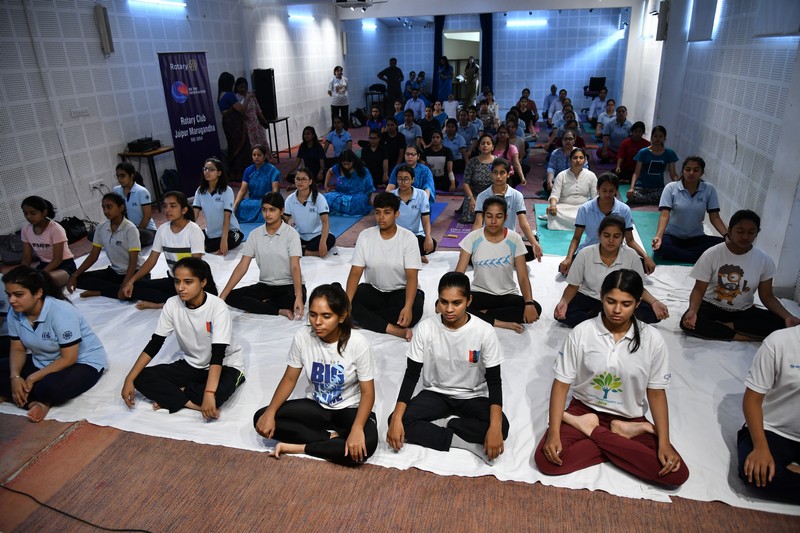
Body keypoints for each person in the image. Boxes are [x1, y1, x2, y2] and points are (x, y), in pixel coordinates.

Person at [535, 269, 689, 487]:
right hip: (583, 409)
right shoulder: (582, 332)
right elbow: (560, 385)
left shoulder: (653, 339)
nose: (617, 310)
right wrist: (553, 432)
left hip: (629, 417)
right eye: (611, 301)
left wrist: (664, 441)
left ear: (638, 303)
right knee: (547, 461)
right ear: (601, 297)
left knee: (676, 473)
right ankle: (612, 435)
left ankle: (594, 429)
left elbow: (656, 393)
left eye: (626, 304)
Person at [386, 271, 509, 465]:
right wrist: (396, 418)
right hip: (436, 394)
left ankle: (445, 424)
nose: (449, 309)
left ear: (469, 301)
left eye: (456, 303)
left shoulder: (484, 331)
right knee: (396, 420)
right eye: (444, 302)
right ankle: (462, 442)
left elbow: (494, 381)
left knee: (502, 427)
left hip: (472, 395)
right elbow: (411, 375)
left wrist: (495, 427)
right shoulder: (426, 328)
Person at [253, 284, 378, 465]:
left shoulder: (358, 343)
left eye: (326, 316)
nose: (317, 322)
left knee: (368, 444)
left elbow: (368, 392)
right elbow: (289, 378)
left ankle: (300, 447)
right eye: (313, 315)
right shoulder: (303, 336)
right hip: (317, 406)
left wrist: (357, 428)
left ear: (342, 316)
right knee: (261, 418)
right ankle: (330, 439)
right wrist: (271, 412)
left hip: (349, 409)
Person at [121, 258, 245, 418]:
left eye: (188, 282)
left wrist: (209, 393)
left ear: (203, 282)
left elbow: (218, 354)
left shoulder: (217, 307)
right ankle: (192, 404)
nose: (181, 288)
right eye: (177, 281)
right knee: (140, 377)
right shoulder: (172, 304)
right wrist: (129, 379)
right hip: (192, 364)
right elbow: (155, 343)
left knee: (217, 395)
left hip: (225, 364)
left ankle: (177, 394)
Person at [0, 266, 106, 423]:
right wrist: (15, 377)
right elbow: (17, 349)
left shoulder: (61, 312)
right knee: (7, 372)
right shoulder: (15, 312)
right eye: (9, 295)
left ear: (38, 293)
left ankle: (34, 398)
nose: (11, 301)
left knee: (49, 387)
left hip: (81, 362)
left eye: (18, 295)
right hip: (43, 360)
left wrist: (31, 378)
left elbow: (69, 358)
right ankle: (33, 402)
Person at [680, 210, 800, 341]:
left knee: (781, 324)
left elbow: (767, 296)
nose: (745, 237)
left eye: (751, 232)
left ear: (757, 233)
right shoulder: (712, 254)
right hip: (711, 307)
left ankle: (726, 328)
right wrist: (692, 311)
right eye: (740, 231)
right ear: (730, 231)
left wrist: (788, 316)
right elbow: (699, 290)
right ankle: (743, 335)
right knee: (688, 323)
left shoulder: (764, 260)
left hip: (743, 311)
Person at [554, 216, 668, 328]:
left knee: (652, 314)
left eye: (616, 236)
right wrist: (564, 302)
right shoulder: (585, 254)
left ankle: (598, 321)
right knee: (565, 313)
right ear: (599, 235)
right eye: (606, 235)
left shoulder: (632, 255)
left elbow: (638, 288)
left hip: (620, 301)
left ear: (623, 237)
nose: (611, 240)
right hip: (590, 299)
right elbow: (573, 286)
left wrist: (654, 302)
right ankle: (616, 321)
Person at [345, 192, 424, 341]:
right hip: (374, 291)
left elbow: (412, 277)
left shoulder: (408, 238)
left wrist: (407, 307)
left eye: (386, 213)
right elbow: (355, 272)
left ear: (396, 214)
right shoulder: (365, 236)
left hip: (401, 292)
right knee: (349, 300)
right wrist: (347, 304)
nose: (381, 217)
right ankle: (392, 329)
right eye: (378, 212)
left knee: (414, 311)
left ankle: (362, 318)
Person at [456, 197, 541, 333]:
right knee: (451, 306)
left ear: (505, 217)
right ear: (483, 216)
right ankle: (499, 321)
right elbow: (458, 275)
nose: (494, 221)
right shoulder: (472, 238)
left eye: (499, 216)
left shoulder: (514, 238)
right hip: (479, 293)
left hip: (506, 295)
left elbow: (523, 277)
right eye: (489, 216)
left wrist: (529, 303)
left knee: (535, 308)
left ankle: (480, 315)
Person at [737, 326, 800, 504]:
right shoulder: (779, 342)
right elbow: (752, 400)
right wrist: (760, 448)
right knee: (757, 475)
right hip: (773, 431)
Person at [220, 192, 306, 319]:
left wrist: (298, 295)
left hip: (289, 285)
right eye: (264, 210)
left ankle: (260, 305)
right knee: (231, 296)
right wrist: (222, 296)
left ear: (282, 211)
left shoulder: (291, 234)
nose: (267, 214)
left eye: (272, 210)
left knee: (295, 299)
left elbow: (295, 267)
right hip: (266, 286)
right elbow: (242, 267)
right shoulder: (255, 234)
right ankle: (277, 310)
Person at [559, 173, 656, 276]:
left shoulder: (624, 209)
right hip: (591, 249)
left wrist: (646, 257)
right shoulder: (585, 209)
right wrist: (568, 258)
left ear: (616, 191)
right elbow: (576, 238)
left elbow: (630, 240)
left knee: (644, 267)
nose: (607, 195)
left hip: (615, 250)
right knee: (565, 269)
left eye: (611, 191)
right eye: (604, 190)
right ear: (598, 189)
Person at [121, 191, 206, 310]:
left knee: (191, 297)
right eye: (165, 206)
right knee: (135, 287)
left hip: (190, 281)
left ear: (184, 210)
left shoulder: (193, 230)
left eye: (173, 206)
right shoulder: (162, 230)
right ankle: (174, 301)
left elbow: (196, 266)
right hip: (174, 280)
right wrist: (131, 281)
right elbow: (151, 260)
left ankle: (163, 304)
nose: (167, 210)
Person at [66, 193, 144, 300]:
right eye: (103, 208)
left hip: (134, 273)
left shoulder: (130, 229)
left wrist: (125, 284)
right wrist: (74, 275)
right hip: (115, 272)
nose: (106, 211)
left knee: (131, 293)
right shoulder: (101, 227)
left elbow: (133, 262)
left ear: (121, 207)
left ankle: (102, 291)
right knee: (80, 279)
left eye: (109, 207)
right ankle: (113, 290)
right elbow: (93, 256)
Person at [652, 157, 727, 263]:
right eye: (688, 169)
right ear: (682, 171)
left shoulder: (709, 189)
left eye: (696, 170)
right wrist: (658, 237)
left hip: (697, 238)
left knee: (725, 245)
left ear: (702, 172)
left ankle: (682, 255)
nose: (691, 173)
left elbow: (715, 217)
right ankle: (700, 257)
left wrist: (727, 236)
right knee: (660, 247)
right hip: (672, 237)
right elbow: (664, 215)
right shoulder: (671, 188)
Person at [472, 158, 543, 262]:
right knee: (471, 255)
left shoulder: (516, 195)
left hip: (508, 240)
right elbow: (478, 224)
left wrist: (534, 243)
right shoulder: (482, 196)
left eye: (502, 173)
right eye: (495, 173)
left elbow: (523, 222)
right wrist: (470, 244)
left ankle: (498, 258)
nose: (498, 176)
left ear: (508, 174)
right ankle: (503, 258)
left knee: (530, 253)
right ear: (491, 174)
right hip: (487, 240)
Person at [20, 196, 76, 288]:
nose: (28, 217)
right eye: (25, 213)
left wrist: (40, 274)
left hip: (64, 265)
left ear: (44, 212)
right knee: (19, 281)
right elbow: (26, 258)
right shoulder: (26, 229)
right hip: (44, 265)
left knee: (41, 281)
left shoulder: (55, 229)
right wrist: (21, 274)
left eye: (33, 213)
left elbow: (57, 260)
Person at [193, 157, 243, 255]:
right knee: (193, 237)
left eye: (211, 169)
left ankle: (207, 247)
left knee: (232, 239)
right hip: (211, 233)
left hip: (231, 231)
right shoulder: (200, 191)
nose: (207, 172)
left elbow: (227, 217)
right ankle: (208, 246)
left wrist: (224, 240)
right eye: (205, 169)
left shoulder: (227, 191)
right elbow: (194, 214)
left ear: (219, 173)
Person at [284, 168, 335, 258]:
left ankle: (301, 251)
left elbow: (325, 222)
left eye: (304, 179)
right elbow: (284, 221)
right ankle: (309, 252)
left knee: (330, 239)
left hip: (317, 235)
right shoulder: (290, 199)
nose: (300, 182)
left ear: (310, 181)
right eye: (297, 179)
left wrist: (323, 243)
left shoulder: (319, 198)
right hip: (300, 235)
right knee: (284, 244)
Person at [392, 165, 436, 263]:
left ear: (412, 180)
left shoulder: (421, 194)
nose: (403, 182)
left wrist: (428, 236)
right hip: (396, 236)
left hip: (415, 235)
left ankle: (407, 254)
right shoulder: (391, 196)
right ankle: (414, 255)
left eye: (406, 179)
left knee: (432, 244)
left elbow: (426, 221)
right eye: (400, 179)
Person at [547, 148, 598, 231]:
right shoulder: (561, 175)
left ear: (585, 160)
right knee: (552, 212)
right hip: (564, 208)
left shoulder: (591, 175)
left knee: (595, 213)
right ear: (570, 160)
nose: (578, 160)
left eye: (581, 158)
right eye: (575, 158)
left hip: (583, 207)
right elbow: (555, 194)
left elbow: (595, 196)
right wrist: (553, 205)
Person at [627, 126, 679, 205]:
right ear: (652, 137)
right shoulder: (643, 152)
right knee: (631, 196)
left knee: (667, 195)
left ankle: (645, 199)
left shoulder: (669, 153)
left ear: (664, 138)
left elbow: (673, 174)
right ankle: (653, 200)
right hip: (642, 187)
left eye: (661, 136)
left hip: (658, 188)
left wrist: (679, 185)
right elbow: (636, 173)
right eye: (655, 136)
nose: (658, 139)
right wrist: (631, 188)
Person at [234, 145, 281, 223]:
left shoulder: (272, 170)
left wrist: (271, 202)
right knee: (241, 205)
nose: (256, 157)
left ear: (264, 156)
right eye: (254, 155)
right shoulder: (248, 170)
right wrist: (235, 205)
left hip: (267, 200)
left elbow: (275, 190)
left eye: (259, 155)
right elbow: (242, 190)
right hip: (253, 200)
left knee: (265, 208)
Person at [113, 162, 156, 247]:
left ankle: (124, 241)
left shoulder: (142, 191)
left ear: (131, 176)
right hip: (127, 229)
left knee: (144, 236)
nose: (120, 179)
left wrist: (134, 233)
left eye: (123, 176)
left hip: (144, 229)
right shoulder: (116, 190)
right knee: (98, 233)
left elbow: (147, 216)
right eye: (118, 176)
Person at [217, 72, 250, 182]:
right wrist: (248, 97)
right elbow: (241, 110)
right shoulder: (229, 96)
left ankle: (234, 174)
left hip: (227, 125)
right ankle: (242, 174)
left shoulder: (220, 96)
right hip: (235, 125)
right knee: (242, 148)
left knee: (232, 147)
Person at [458, 134, 496, 224]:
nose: (485, 146)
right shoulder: (472, 162)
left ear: (492, 147)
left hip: (493, 194)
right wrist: (471, 198)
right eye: (483, 143)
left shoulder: (497, 162)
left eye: (488, 143)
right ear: (479, 147)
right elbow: (466, 182)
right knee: (469, 216)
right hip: (474, 195)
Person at [324, 150, 375, 217]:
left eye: (348, 164)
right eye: (344, 164)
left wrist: (369, 200)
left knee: (360, 201)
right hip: (341, 194)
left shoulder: (362, 170)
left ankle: (341, 209)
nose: (346, 166)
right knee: (327, 197)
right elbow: (329, 172)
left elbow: (369, 187)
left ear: (353, 161)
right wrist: (326, 185)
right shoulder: (338, 167)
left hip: (356, 196)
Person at [544, 131, 587, 196]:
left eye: (570, 139)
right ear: (562, 140)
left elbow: (585, 169)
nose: (567, 141)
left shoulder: (580, 153)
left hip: (575, 181)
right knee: (546, 184)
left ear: (574, 140)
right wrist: (549, 182)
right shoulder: (556, 153)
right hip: (559, 181)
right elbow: (551, 168)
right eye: (565, 139)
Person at [235, 77, 269, 152]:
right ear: (237, 87)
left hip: (256, 125)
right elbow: (240, 112)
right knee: (251, 147)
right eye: (241, 87)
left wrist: (264, 120)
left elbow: (258, 110)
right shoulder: (236, 98)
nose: (244, 89)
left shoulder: (251, 96)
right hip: (246, 127)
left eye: (245, 87)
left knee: (261, 145)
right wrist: (247, 98)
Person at [327, 66, 349, 131]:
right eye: (337, 71)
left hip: (344, 102)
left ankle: (345, 131)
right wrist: (335, 96)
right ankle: (334, 131)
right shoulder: (332, 80)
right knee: (335, 118)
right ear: (335, 72)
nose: (339, 72)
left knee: (345, 118)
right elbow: (329, 92)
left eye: (340, 71)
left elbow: (347, 89)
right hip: (335, 103)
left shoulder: (345, 80)